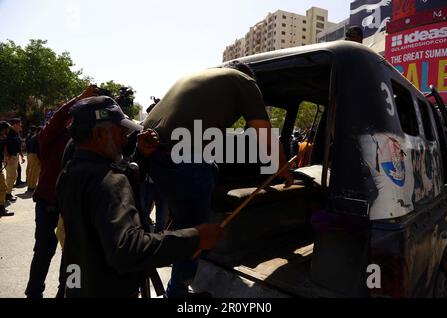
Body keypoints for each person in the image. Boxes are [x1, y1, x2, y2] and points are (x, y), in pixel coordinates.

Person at [142, 61, 294, 298]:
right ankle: (177, 294)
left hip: (149, 150)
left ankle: (173, 282)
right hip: (182, 155)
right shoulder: (245, 81)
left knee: (185, 218)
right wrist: (284, 169)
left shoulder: (201, 77)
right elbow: (264, 134)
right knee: (196, 232)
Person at [56, 96, 222, 298]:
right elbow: (128, 250)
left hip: (79, 285)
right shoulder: (109, 182)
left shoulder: (69, 173)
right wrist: (195, 237)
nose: (125, 139)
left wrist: (140, 156)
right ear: (99, 134)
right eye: (120, 132)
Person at [25, 86, 98, 298]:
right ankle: (34, 292)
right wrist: (79, 99)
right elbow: (57, 120)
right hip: (48, 201)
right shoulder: (49, 137)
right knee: (44, 251)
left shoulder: (83, 140)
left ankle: (64, 292)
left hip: (73, 204)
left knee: (73, 253)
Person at [4, 118, 23, 202]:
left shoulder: (16, 133)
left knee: (12, 176)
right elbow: (5, 146)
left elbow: (17, 145)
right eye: (19, 124)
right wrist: (7, 157)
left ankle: (7, 193)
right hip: (10, 157)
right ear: (15, 125)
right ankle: (6, 194)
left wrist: (21, 155)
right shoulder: (8, 133)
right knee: (11, 176)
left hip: (15, 156)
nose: (21, 126)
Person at [0, 121, 14, 217]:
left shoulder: (3, 139)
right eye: (7, 129)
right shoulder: (2, 139)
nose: (8, 131)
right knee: (2, 187)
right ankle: (1, 209)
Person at [26, 126, 42, 192]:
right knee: (35, 173)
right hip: (35, 155)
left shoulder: (33, 136)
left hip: (30, 154)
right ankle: (32, 187)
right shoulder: (38, 137)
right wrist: (40, 158)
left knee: (31, 172)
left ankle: (30, 186)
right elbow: (38, 148)